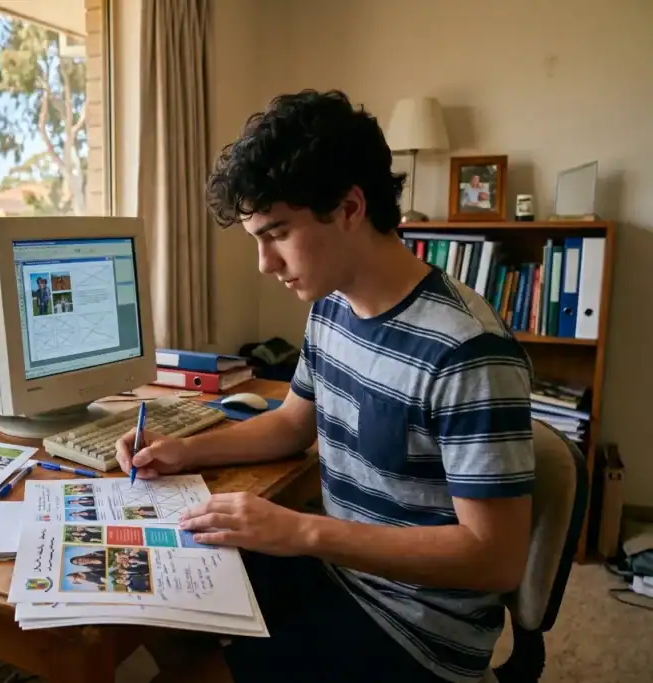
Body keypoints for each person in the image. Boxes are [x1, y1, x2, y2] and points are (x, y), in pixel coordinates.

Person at [116, 90, 534, 683]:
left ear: (349, 207)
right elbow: (292, 423)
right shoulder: (331, 307)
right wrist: (183, 449)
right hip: (338, 574)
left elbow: (495, 558)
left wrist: (302, 531)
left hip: (416, 631)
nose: (264, 263)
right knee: (157, 589)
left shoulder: (466, 349)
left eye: (277, 233)